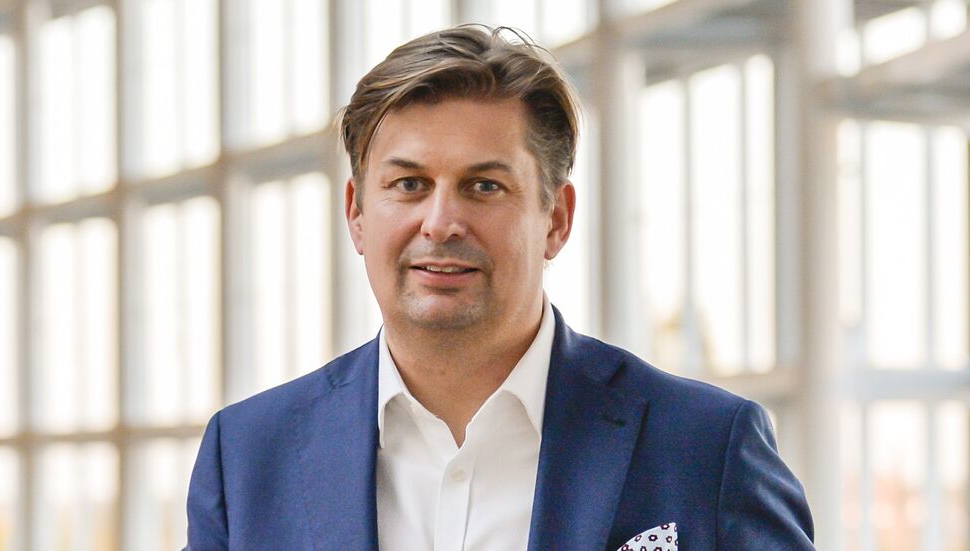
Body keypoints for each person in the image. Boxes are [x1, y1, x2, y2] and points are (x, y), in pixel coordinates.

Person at [185, 25, 814, 550]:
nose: (440, 223)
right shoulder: (246, 458)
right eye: (409, 185)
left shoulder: (706, 447)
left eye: (484, 186)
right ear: (356, 213)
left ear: (556, 218)